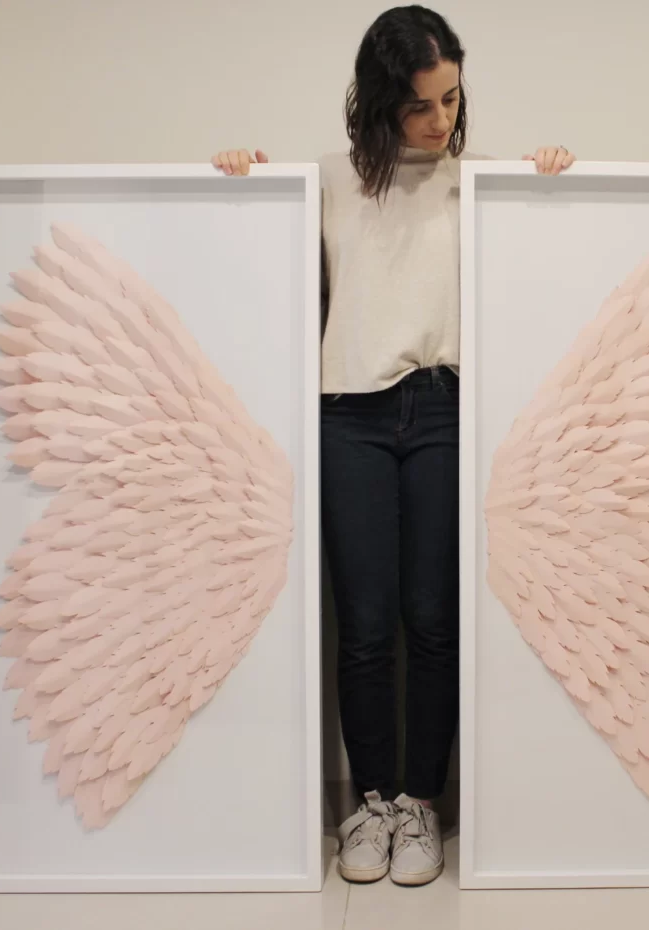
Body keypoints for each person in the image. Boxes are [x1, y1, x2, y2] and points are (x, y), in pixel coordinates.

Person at [214, 4, 574, 887]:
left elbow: (540, 262)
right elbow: (260, 266)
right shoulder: (330, 182)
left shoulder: (475, 183)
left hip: (446, 408)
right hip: (350, 413)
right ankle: (371, 803)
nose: (440, 120)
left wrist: (550, 176)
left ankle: (421, 803)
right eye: (420, 105)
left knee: (433, 619)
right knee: (366, 624)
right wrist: (244, 177)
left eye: (451, 98)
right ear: (381, 102)